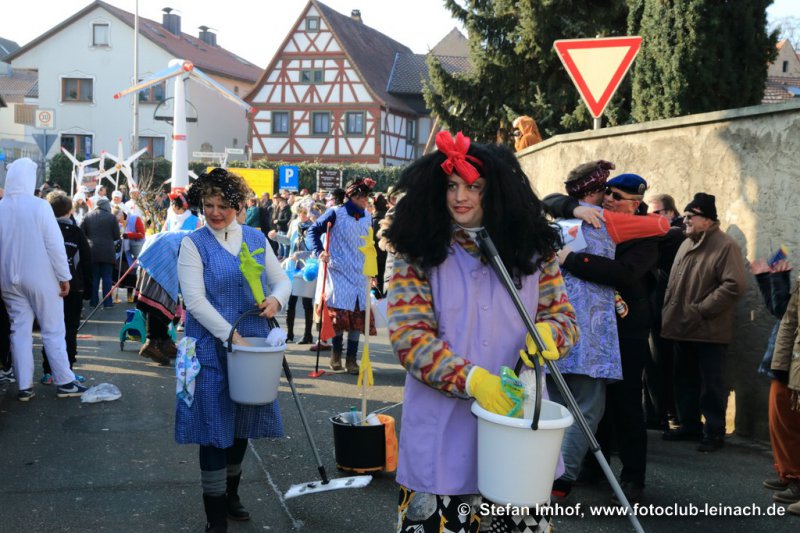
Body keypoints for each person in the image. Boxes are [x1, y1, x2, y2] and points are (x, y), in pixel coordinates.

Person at [383, 131, 578, 532]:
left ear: (497, 191)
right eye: (451, 186)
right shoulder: (416, 251)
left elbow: (564, 318)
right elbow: (410, 338)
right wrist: (472, 380)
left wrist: (551, 335)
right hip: (442, 434)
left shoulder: (535, 250)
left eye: (474, 187)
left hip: (517, 434)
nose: (461, 197)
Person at [177, 168, 291, 532]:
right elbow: (195, 301)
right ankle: (215, 517)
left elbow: (281, 279)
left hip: (252, 345)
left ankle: (230, 494)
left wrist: (276, 299)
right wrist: (230, 335)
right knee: (214, 427)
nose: (214, 212)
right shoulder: (193, 244)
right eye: (208, 205)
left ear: (238, 206)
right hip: (209, 346)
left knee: (242, 423)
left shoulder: (254, 237)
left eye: (222, 205)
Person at [545, 173, 662, 503]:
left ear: (635, 204)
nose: (609, 199)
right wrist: (574, 208)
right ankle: (593, 467)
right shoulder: (592, 216)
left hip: (626, 329)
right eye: (608, 192)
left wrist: (571, 259)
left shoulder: (644, 233)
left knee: (626, 403)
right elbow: (549, 202)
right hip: (594, 326)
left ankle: (633, 478)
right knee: (595, 401)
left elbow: (623, 274)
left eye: (618, 196)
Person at [661, 193, 746, 452]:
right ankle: (689, 425)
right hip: (682, 327)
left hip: (708, 329)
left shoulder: (725, 245)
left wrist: (701, 310)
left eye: (691, 216)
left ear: (707, 220)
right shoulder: (686, 243)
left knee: (712, 384)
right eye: (685, 215)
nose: (685, 220)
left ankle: (714, 431)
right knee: (684, 380)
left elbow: (734, 285)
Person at [0, 158, 88, 401]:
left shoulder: (1, 207)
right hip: (40, 276)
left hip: (8, 278)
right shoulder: (39, 206)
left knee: (19, 329)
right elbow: (54, 245)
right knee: (53, 329)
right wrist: (64, 276)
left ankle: (24, 385)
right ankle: (65, 381)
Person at [306, 177, 378, 374]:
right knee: (338, 318)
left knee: (357, 317)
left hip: (360, 273)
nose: (366, 200)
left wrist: (373, 271)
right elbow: (313, 231)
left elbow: (370, 246)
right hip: (338, 271)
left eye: (367, 197)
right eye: (363, 196)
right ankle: (336, 356)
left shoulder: (368, 217)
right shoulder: (335, 213)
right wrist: (319, 251)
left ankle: (351, 360)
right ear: (352, 196)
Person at [40, 191, 93, 385]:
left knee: (49, 329)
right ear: (70, 210)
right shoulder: (76, 232)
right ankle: (67, 371)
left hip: (47, 286)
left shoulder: (42, 230)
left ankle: (48, 372)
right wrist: (88, 289)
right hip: (74, 287)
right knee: (70, 329)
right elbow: (86, 262)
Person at [768, 273, 800, 514]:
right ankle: (791, 473)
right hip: (794, 360)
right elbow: (789, 319)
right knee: (779, 409)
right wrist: (780, 365)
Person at [81, 197, 121, 308]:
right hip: (108, 251)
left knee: (94, 278)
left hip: (92, 251)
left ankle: (93, 302)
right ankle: (107, 302)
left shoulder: (87, 216)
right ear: (107, 206)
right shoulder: (112, 217)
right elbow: (117, 236)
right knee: (107, 278)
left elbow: (81, 232)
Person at [113, 205, 146, 303]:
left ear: (122, 215)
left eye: (119, 219)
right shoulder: (116, 222)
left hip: (133, 250)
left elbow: (141, 234)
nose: (118, 222)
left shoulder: (135, 219)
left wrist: (128, 235)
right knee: (115, 273)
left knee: (131, 274)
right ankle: (113, 296)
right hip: (121, 251)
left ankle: (130, 296)